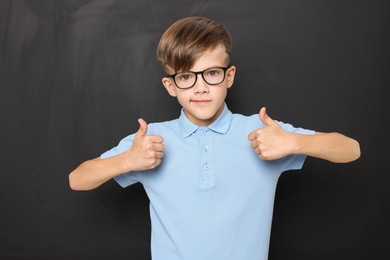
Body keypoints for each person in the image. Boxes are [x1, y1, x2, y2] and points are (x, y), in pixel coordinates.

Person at [69, 16, 360, 260]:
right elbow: (78, 179)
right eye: (186, 77)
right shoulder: (151, 139)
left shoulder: (264, 132)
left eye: (211, 73)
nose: (200, 88)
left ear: (229, 76)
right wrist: (127, 160)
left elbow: (351, 149)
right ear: (170, 86)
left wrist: (295, 142)